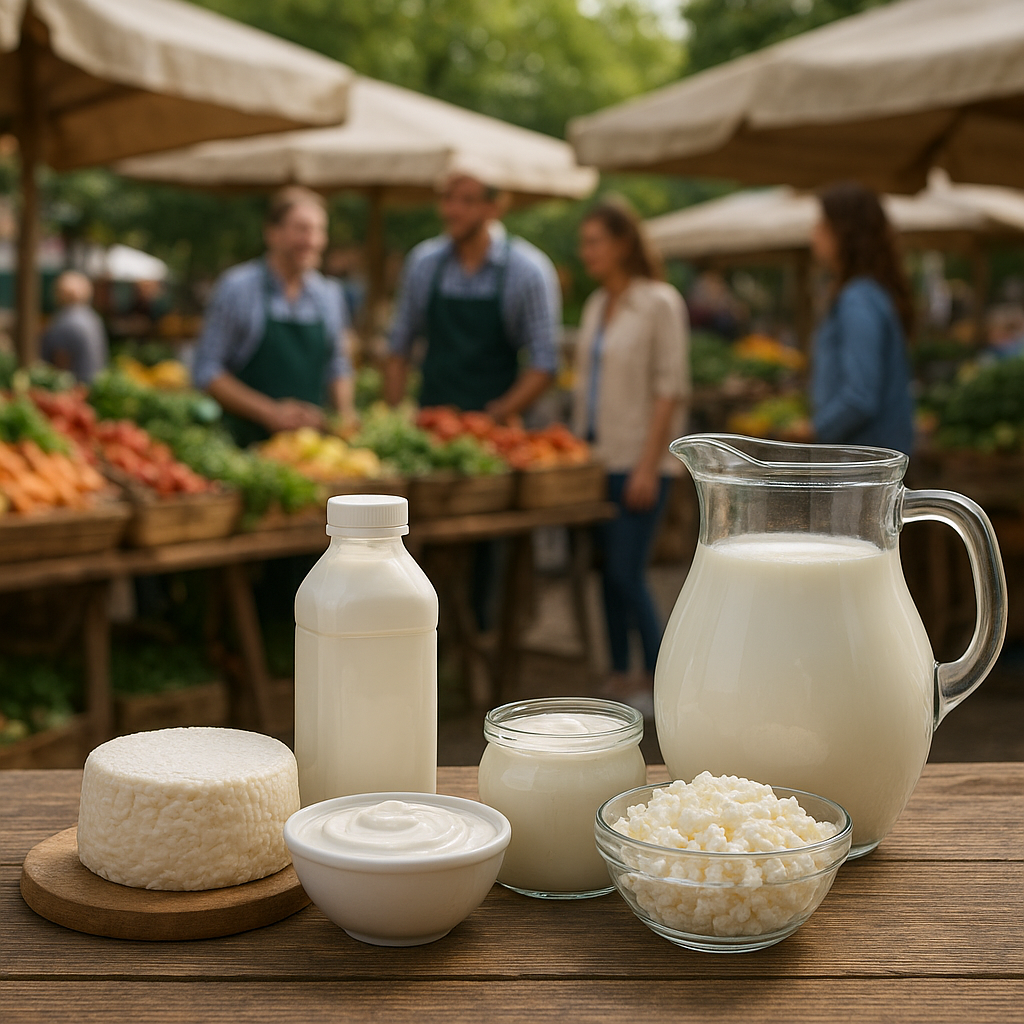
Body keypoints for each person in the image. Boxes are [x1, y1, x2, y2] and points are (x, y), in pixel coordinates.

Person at [572, 198, 690, 702]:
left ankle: (661, 679)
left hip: (642, 463)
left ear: (623, 243)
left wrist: (649, 464)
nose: (586, 252)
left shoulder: (660, 302)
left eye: (595, 241)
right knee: (605, 576)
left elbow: (671, 388)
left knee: (627, 571)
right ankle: (620, 675)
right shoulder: (597, 305)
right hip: (598, 459)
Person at [384, 172, 560, 419]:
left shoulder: (527, 271)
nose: (452, 210)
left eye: (467, 201)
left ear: (494, 208)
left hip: (497, 430)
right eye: (447, 199)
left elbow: (544, 363)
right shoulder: (423, 264)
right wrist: (396, 417)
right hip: (431, 421)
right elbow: (398, 348)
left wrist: (495, 415)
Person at [193, 186, 355, 446]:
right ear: (272, 233)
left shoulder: (329, 295)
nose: (311, 241)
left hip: (310, 450)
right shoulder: (238, 288)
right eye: (301, 229)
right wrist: (269, 412)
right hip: (243, 447)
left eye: (318, 230)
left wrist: (344, 420)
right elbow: (207, 371)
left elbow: (337, 367)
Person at [810, 182, 915, 455]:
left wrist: (813, 433)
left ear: (843, 233)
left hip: (860, 467)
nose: (814, 235)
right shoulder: (869, 294)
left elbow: (859, 398)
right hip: (869, 464)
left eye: (822, 225)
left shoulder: (859, 299)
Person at [40, 271, 108, 383]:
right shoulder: (93, 318)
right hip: (95, 384)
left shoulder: (64, 321)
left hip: (75, 388)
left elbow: (60, 365)